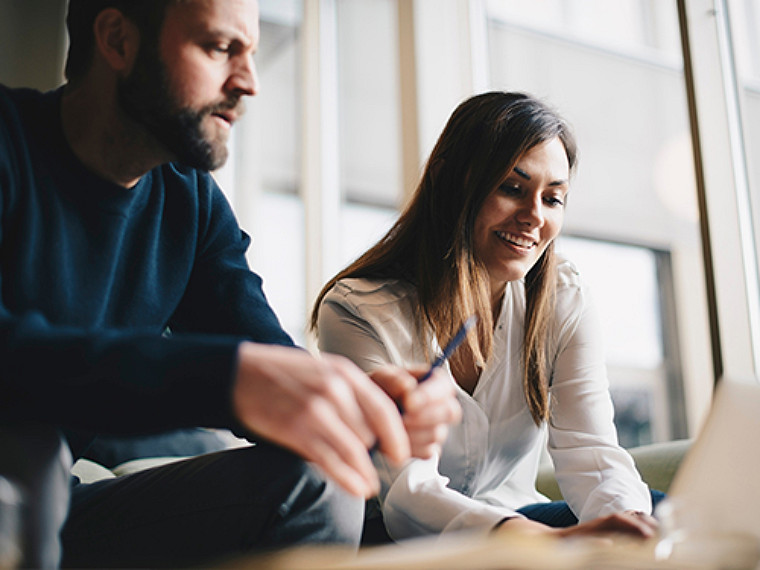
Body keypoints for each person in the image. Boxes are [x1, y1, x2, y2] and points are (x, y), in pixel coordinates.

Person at [0, 0, 461, 567]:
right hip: (22, 487)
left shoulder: (189, 201)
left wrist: (357, 406)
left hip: (63, 511)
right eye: (221, 49)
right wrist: (228, 379)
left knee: (320, 477)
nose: (249, 83)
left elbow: (265, 357)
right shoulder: (8, 143)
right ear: (117, 40)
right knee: (32, 451)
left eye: (252, 54)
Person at [312, 91, 664, 544]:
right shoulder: (358, 310)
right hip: (399, 536)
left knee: (657, 515)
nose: (534, 216)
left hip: (518, 513)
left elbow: (590, 450)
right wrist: (531, 540)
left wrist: (626, 529)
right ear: (450, 182)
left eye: (553, 199)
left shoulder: (563, 299)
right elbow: (407, 490)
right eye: (512, 189)